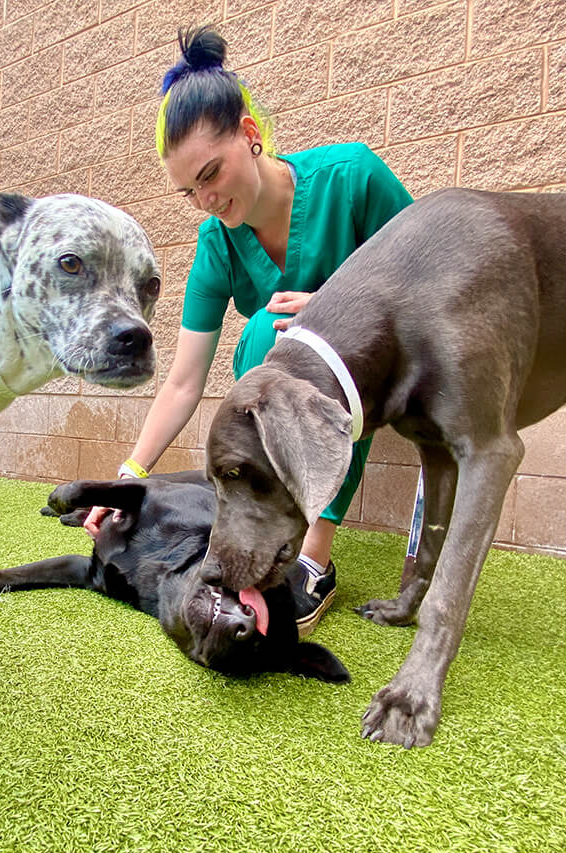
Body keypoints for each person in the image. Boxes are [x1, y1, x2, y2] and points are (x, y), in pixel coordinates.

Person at [84, 26, 413, 635]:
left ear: (251, 135)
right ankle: (263, 530)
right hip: (294, 381)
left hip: (382, 372)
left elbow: (432, 277)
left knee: (289, 331)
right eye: (189, 191)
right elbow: (183, 380)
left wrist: (338, 306)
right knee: (268, 338)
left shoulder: (354, 177)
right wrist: (127, 477)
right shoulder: (217, 242)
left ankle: (315, 558)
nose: (206, 199)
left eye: (211, 173)